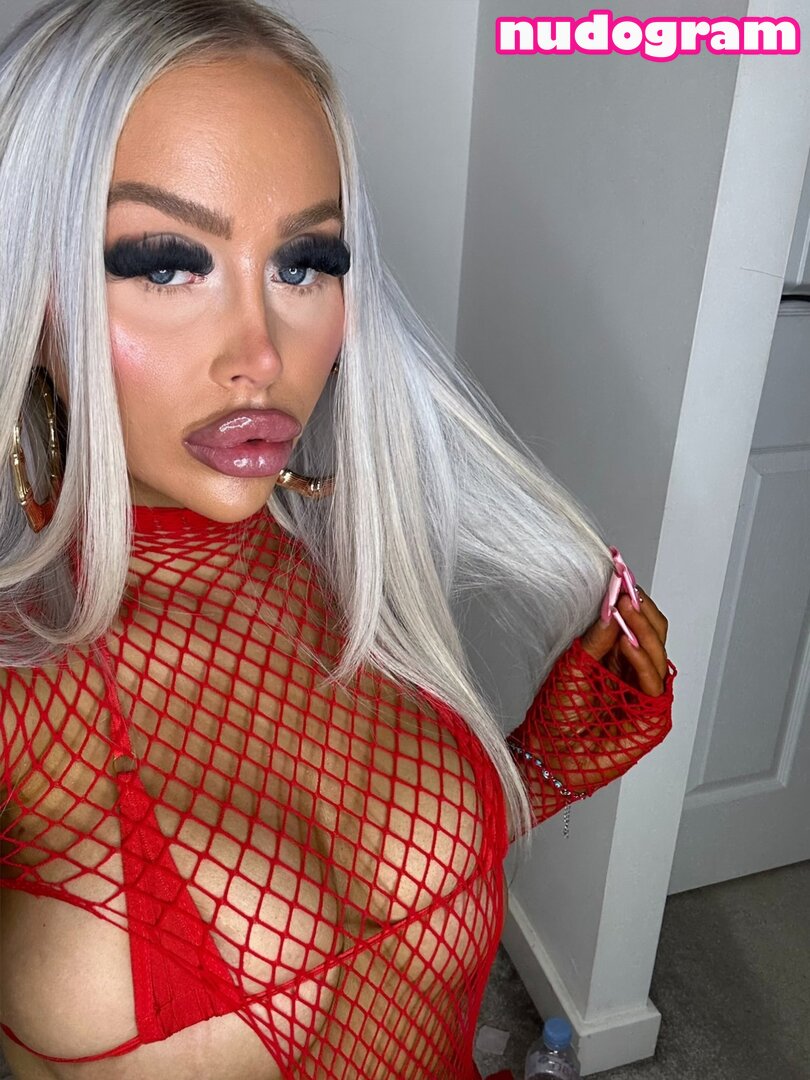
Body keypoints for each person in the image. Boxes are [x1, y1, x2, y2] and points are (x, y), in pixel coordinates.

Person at [0, 1, 677, 1077]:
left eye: (303, 263)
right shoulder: (18, 692)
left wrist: (538, 771)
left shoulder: (331, 565)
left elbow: (374, 926)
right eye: (167, 265)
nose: (262, 354)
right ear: (28, 294)